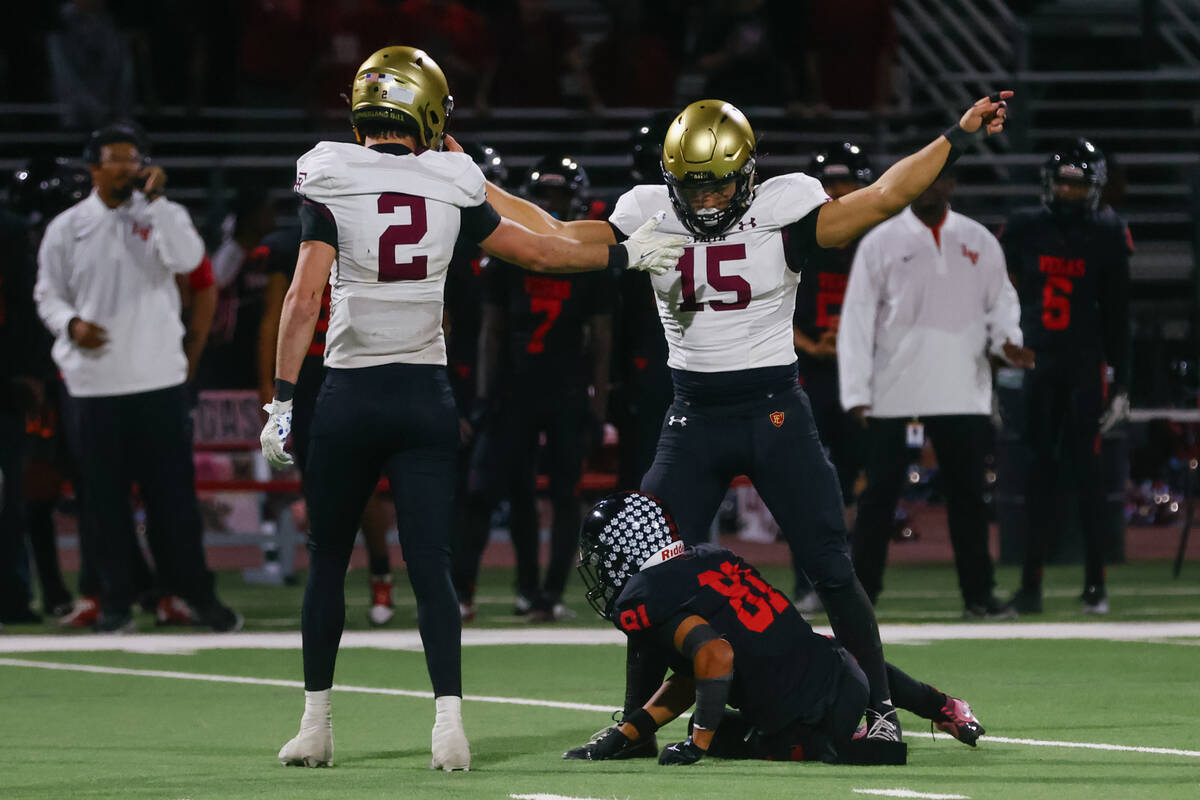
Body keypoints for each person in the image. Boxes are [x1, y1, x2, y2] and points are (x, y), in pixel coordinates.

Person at [472, 91, 1013, 757]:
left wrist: (956, 136)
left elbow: (880, 197)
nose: (703, 203)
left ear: (748, 174)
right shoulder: (645, 214)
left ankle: (879, 711)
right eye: (691, 188)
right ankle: (633, 723)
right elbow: (550, 234)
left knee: (832, 569)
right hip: (691, 415)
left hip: (774, 410)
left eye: (717, 185)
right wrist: (471, 182)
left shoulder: (783, 210)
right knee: (650, 573)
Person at [259, 45, 686, 770]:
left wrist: (282, 401)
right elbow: (540, 254)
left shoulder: (329, 177)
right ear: (426, 108)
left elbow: (303, 299)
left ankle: (317, 725)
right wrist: (624, 257)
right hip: (424, 393)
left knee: (330, 559)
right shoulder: (452, 178)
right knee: (433, 563)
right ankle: (449, 728)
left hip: (351, 393)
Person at [564, 491, 985, 765]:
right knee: (802, 652)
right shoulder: (706, 556)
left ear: (625, 549)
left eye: (602, 556)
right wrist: (628, 732)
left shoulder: (647, 594)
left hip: (807, 717)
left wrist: (698, 742)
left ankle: (847, 736)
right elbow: (698, 672)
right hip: (839, 670)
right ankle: (943, 706)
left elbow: (716, 657)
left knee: (728, 738)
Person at [33, 122, 242, 633]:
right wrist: (70, 324)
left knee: (174, 502)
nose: (129, 167)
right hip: (94, 386)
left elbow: (190, 261)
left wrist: (158, 206)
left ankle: (195, 598)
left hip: (158, 381)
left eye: (135, 158)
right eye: (117, 159)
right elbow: (47, 294)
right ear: (93, 168)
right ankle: (116, 603)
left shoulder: (163, 215)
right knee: (102, 505)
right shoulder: (67, 227)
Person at [838, 168, 1032, 618]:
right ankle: (860, 601)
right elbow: (857, 318)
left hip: (963, 391)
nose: (931, 188)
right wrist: (856, 392)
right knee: (878, 501)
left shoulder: (979, 239)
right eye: (922, 180)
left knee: (969, 500)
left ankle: (979, 597)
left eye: (940, 180)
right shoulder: (881, 241)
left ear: (953, 185)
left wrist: (1007, 341)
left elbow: (1002, 302)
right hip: (893, 393)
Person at [453, 155, 615, 623]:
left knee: (557, 496)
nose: (549, 204)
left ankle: (543, 594)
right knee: (491, 492)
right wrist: (486, 397)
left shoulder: (569, 258)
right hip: (523, 390)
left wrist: (598, 408)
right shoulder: (527, 254)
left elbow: (601, 340)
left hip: (548, 389)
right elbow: (493, 330)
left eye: (557, 196)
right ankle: (476, 592)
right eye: (544, 195)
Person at [1001, 138, 1132, 615]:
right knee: (1036, 477)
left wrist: (1121, 382)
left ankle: (1095, 583)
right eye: (1062, 184)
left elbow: (1119, 314)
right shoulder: (1024, 228)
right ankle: (1030, 586)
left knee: (1089, 477)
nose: (1069, 193)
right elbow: (1000, 294)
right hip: (1037, 362)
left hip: (1083, 366)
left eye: (1077, 185)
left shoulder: (1108, 231)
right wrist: (999, 353)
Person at [256, 221, 397, 627]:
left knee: (364, 481)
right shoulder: (289, 242)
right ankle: (328, 585)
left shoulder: (366, 229)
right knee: (317, 486)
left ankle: (380, 576)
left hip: (355, 366)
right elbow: (274, 317)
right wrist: (273, 390)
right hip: (309, 373)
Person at [789, 141, 874, 614]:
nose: (840, 192)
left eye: (848, 183)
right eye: (833, 183)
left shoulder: (877, 242)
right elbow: (767, 301)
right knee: (805, 484)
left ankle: (852, 579)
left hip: (861, 376)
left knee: (864, 482)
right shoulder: (797, 236)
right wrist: (808, 342)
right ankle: (809, 580)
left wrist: (855, 344)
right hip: (808, 376)